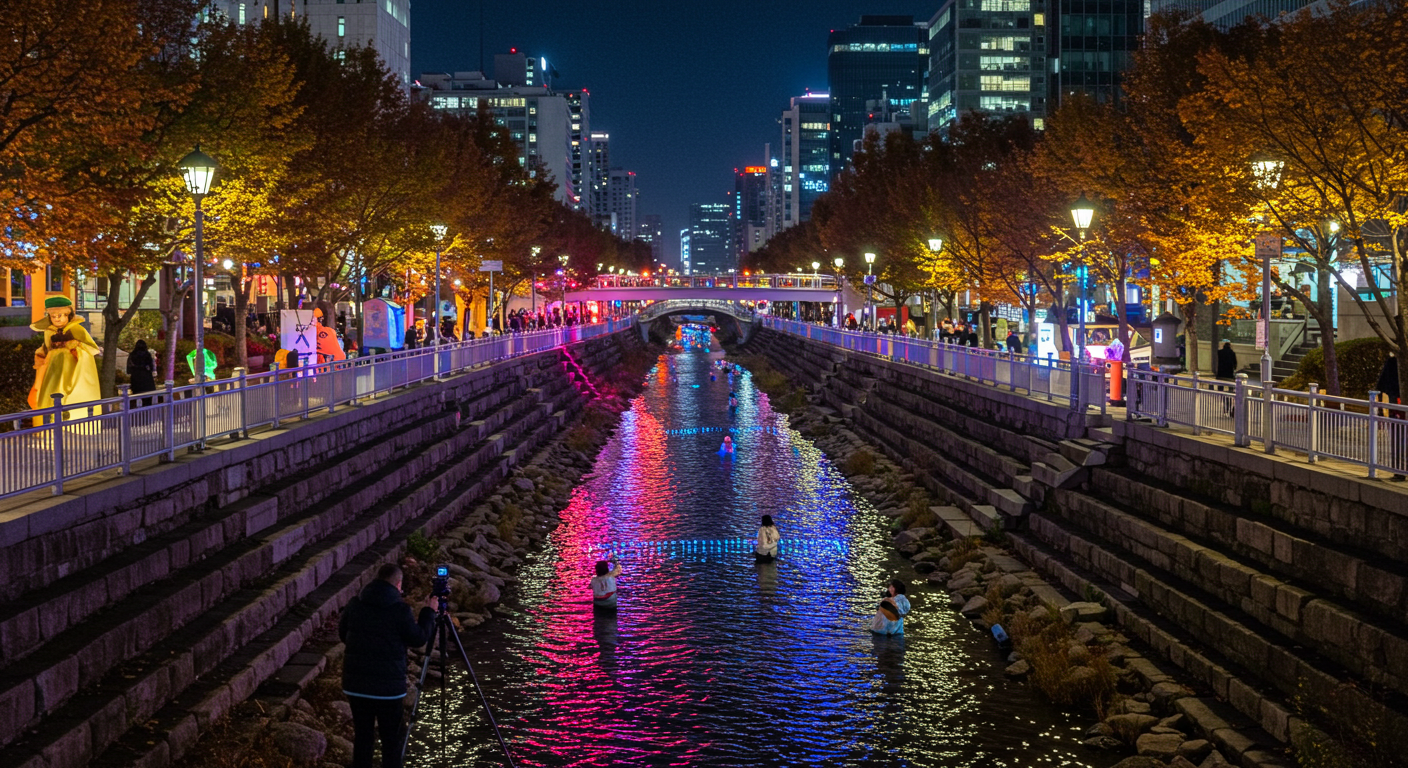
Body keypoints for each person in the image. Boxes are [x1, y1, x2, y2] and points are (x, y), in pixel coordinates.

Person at [339, 563, 436, 768]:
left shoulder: (355, 604)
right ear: (398, 584)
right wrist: (429, 613)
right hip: (388, 690)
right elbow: (419, 638)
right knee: (391, 740)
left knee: (363, 737)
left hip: (356, 686)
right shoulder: (400, 611)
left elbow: (343, 634)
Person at [28, 296, 101, 419]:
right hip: (51, 371)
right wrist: (41, 356)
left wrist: (76, 346)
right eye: (53, 316)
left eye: (60, 315)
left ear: (68, 315)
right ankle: (49, 425)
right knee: (49, 395)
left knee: (67, 395)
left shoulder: (77, 329)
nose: (57, 319)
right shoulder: (49, 332)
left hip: (70, 371)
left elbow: (92, 349)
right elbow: (46, 348)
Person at [1377, 353, 1404, 481]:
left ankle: (1399, 471)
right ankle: (1399, 470)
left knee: (1398, 437)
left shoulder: (1393, 361)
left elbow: (1382, 385)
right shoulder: (1393, 361)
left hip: (1397, 402)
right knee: (1399, 437)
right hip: (1398, 401)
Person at [126, 340, 157, 406]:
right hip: (147, 379)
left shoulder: (132, 355)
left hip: (136, 380)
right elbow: (151, 367)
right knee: (147, 401)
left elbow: (128, 370)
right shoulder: (147, 355)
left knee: (135, 398)